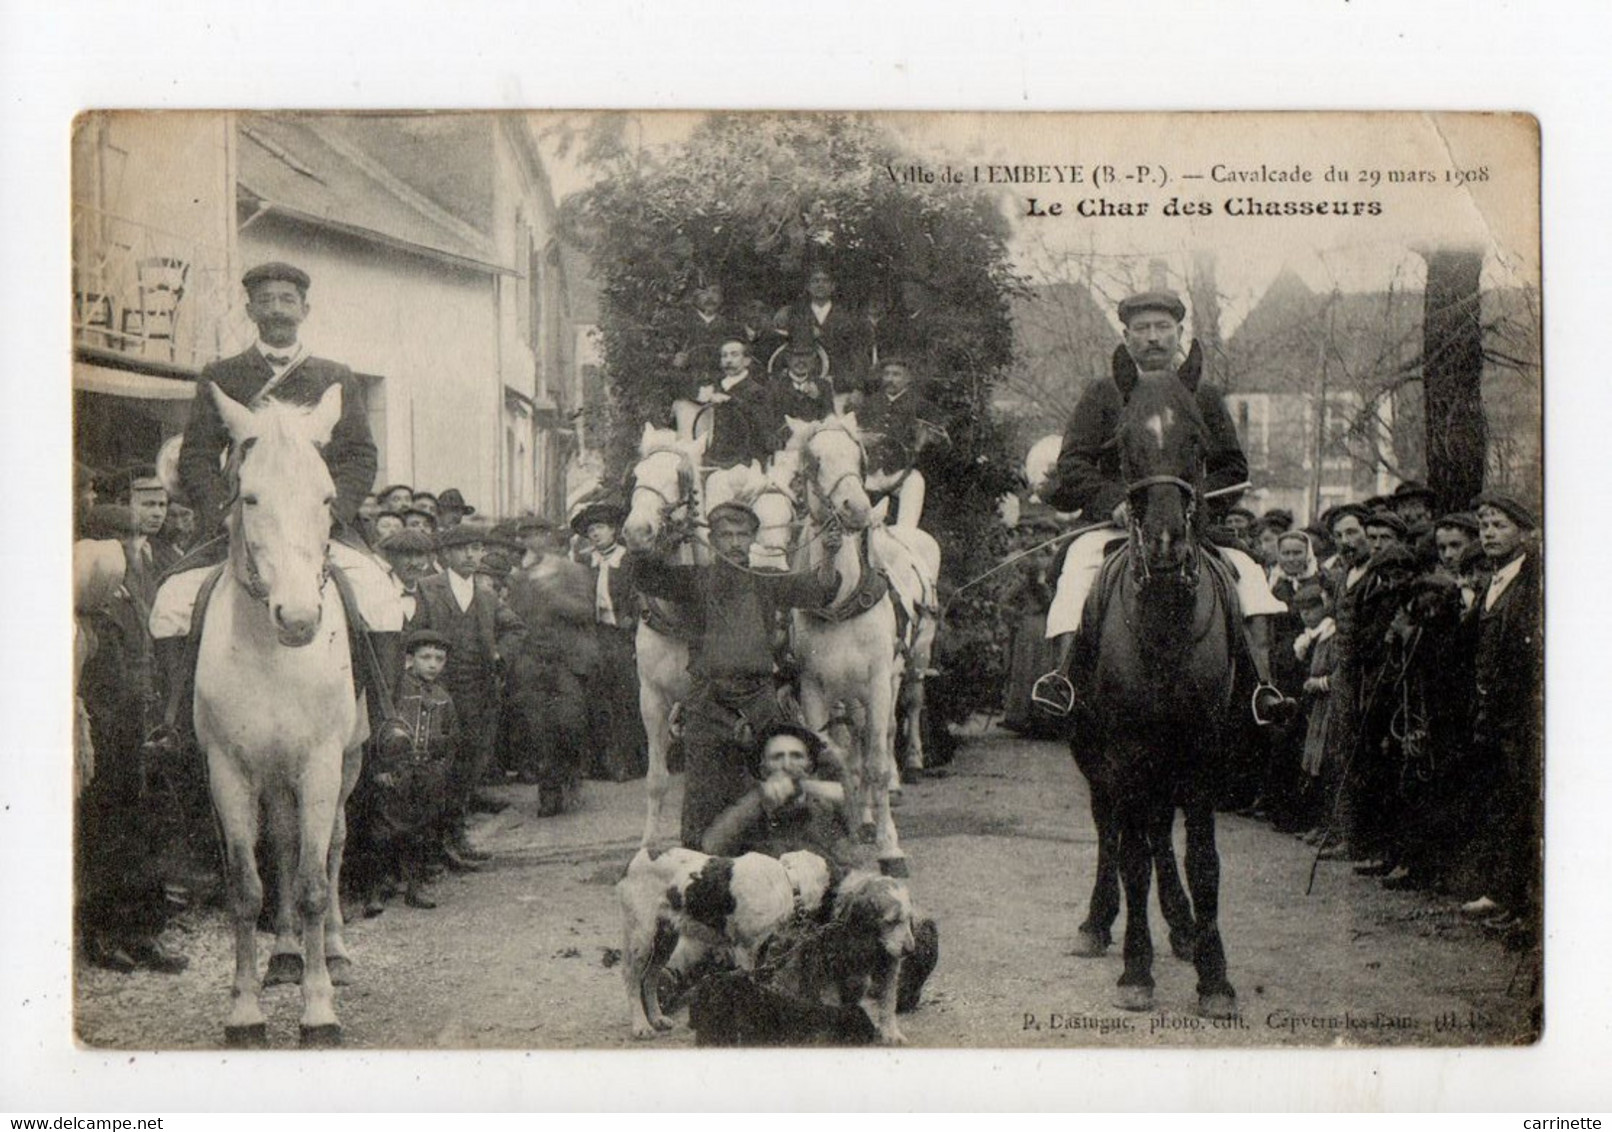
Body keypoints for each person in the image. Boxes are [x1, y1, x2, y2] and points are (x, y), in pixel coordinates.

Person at [144, 262, 404, 757]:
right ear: (251, 311)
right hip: (243, 524)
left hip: (317, 525)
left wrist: (335, 511)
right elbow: (197, 454)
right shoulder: (222, 376)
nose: (277, 310)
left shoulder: (335, 376)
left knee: (378, 595)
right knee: (172, 603)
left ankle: (389, 717)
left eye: (287, 299)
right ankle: (173, 722)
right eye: (266, 300)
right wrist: (220, 511)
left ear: (304, 309)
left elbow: (359, 456)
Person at [1030, 289, 1288, 719]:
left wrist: (1192, 505)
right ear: (1127, 338)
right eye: (1143, 329)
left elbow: (1232, 468)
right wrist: (1113, 501)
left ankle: (1260, 689)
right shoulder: (1102, 394)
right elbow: (1073, 462)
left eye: (1163, 328)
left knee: (1251, 580)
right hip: (1115, 526)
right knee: (1076, 577)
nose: (1153, 338)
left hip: (1189, 525)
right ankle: (1064, 682)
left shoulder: (1202, 396)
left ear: (1179, 334)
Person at [626, 501, 843, 848]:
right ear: (712, 538)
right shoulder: (695, 581)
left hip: (759, 700)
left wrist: (830, 553)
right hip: (707, 702)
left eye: (743, 535)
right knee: (701, 803)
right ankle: (701, 872)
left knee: (772, 792)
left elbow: (818, 589)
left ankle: (772, 868)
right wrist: (663, 541)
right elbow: (647, 576)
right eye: (726, 535)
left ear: (754, 538)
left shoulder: (766, 581)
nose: (735, 542)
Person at [701, 721, 940, 1012]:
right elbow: (711, 847)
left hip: (826, 915)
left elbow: (857, 850)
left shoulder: (824, 805)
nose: (787, 764)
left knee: (920, 926)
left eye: (796, 756)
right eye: (777, 757)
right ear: (762, 767)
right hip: (776, 923)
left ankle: (887, 991)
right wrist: (758, 801)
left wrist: (838, 773)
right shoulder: (753, 809)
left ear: (811, 764)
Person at [408, 523, 526, 867]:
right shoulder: (428, 589)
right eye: (464, 549)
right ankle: (431, 846)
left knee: (467, 766)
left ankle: (457, 836)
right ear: (446, 554)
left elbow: (516, 628)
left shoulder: (487, 595)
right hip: (437, 692)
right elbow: (411, 633)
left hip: (477, 691)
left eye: (477, 549)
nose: (472, 556)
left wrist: (499, 655)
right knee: (434, 768)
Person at [1456, 493, 1542, 943]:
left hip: (1520, 719)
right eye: (1484, 526)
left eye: (1498, 526)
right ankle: (1500, 892)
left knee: (1520, 807)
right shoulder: (1494, 580)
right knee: (1497, 805)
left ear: (1524, 532)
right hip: (1491, 716)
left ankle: (1522, 905)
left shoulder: (1532, 584)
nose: (1488, 533)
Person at [501, 518, 597, 814]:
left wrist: (551, 594)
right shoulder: (519, 577)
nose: (533, 541)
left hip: (567, 661)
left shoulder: (572, 571)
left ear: (550, 537)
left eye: (538, 535)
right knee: (538, 727)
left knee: (569, 722)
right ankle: (550, 792)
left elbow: (586, 611)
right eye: (526, 536)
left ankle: (570, 774)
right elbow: (513, 617)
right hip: (532, 659)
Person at [369, 630, 460, 909]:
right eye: (426, 657)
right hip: (397, 774)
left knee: (421, 830)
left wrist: (441, 770)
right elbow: (381, 733)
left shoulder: (444, 698)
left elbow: (453, 738)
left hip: (428, 775)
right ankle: (379, 887)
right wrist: (382, 768)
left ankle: (415, 886)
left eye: (439, 659)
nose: (433, 664)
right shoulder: (397, 691)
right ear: (410, 660)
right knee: (385, 830)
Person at [573, 500, 648, 783]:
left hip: (622, 635)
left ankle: (629, 762)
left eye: (600, 528)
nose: (595, 534)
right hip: (593, 636)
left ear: (614, 530)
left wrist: (631, 626)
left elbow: (639, 597)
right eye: (591, 530)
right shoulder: (584, 562)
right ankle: (599, 763)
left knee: (625, 696)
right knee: (596, 696)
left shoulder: (628, 561)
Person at [856, 356, 936, 531]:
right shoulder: (870, 403)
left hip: (899, 472)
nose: (890, 379)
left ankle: (905, 535)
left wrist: (923, 440)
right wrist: (862, 438)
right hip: (870, 473)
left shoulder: (921, 405)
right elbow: (854, 431)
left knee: (915, 483)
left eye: (896, 375)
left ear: (908, 379)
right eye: (887, 374)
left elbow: (937, 438)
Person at [783, 267, 873, 400]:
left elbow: (858, 354)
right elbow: (788, 351)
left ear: (833, 286)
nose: (820, 285)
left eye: (825, 281)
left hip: (840, 386)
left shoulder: (849, 317)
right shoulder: (795, 316)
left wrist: (857, 387)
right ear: (808, 286)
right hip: (804, 386)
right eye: (815, 281)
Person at [697, 337, 776, 470]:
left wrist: (732, 402)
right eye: (724, 356)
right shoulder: (715, 388)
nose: (728, 360)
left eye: (734, 355)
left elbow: (763, 431)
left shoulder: (758, 392)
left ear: (747, 360)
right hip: (713, 460)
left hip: (745, 462)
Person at [768, 337, 836, 432]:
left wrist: (818, 398)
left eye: (806, 356)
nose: (801, 361)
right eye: (796, 356)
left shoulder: (823, 386)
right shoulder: (774, 386)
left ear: (813, 358)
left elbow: (830, 418)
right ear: (788, 358)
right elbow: (772, 422)